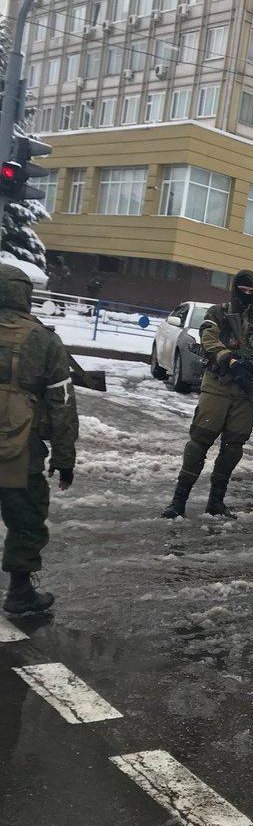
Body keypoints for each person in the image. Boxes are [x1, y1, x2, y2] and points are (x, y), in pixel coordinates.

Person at [161, 270, 253, 520]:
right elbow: (208, 337)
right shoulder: (218, 312)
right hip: (218, 385)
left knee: (233, 447)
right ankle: (178, 501)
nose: (246, 294)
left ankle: (216, 501)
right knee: (199, 441)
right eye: (242, 289)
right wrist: (229, 359)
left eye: (251, 291)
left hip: (246, 391)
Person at [0, 261, 78, 615]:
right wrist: (64, 459)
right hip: (18, 449)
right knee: (27, 517)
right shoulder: (44, 340)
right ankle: (19, 594)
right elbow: (61, 405)